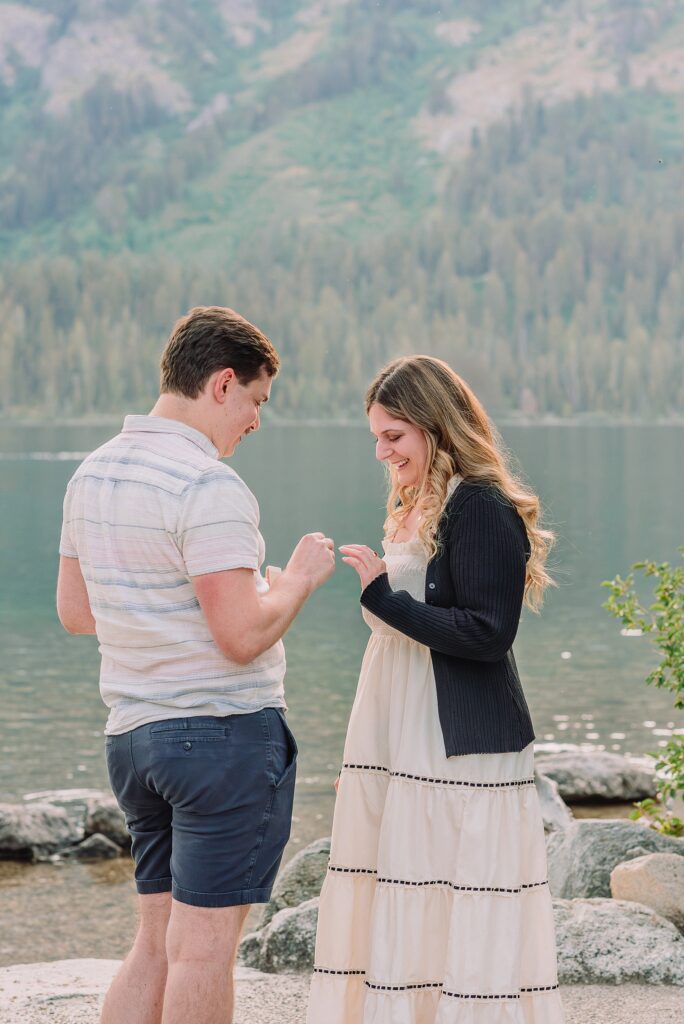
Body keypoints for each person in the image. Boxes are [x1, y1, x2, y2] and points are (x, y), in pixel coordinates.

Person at [56, 306, 335, 1024]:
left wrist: (160, 614)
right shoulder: (207, 485)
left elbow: (77, 612)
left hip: (133, 739)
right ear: (222, 383)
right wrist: (296, 583)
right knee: (205, 951)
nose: (256, 420)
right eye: (256, 400)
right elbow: (240, 638)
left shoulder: (91, 474)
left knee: (156, 942)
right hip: (220, 737)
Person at [308, 356, 564, 1024]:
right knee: (406, 885)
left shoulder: (480, 504)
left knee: (457, 894)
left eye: (394, 435)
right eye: (376, 437)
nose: (382, 452)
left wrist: (383, 599)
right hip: (405, 726)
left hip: (460, 742)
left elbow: (488, 633)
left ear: (434, 425)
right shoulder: (420, 502)